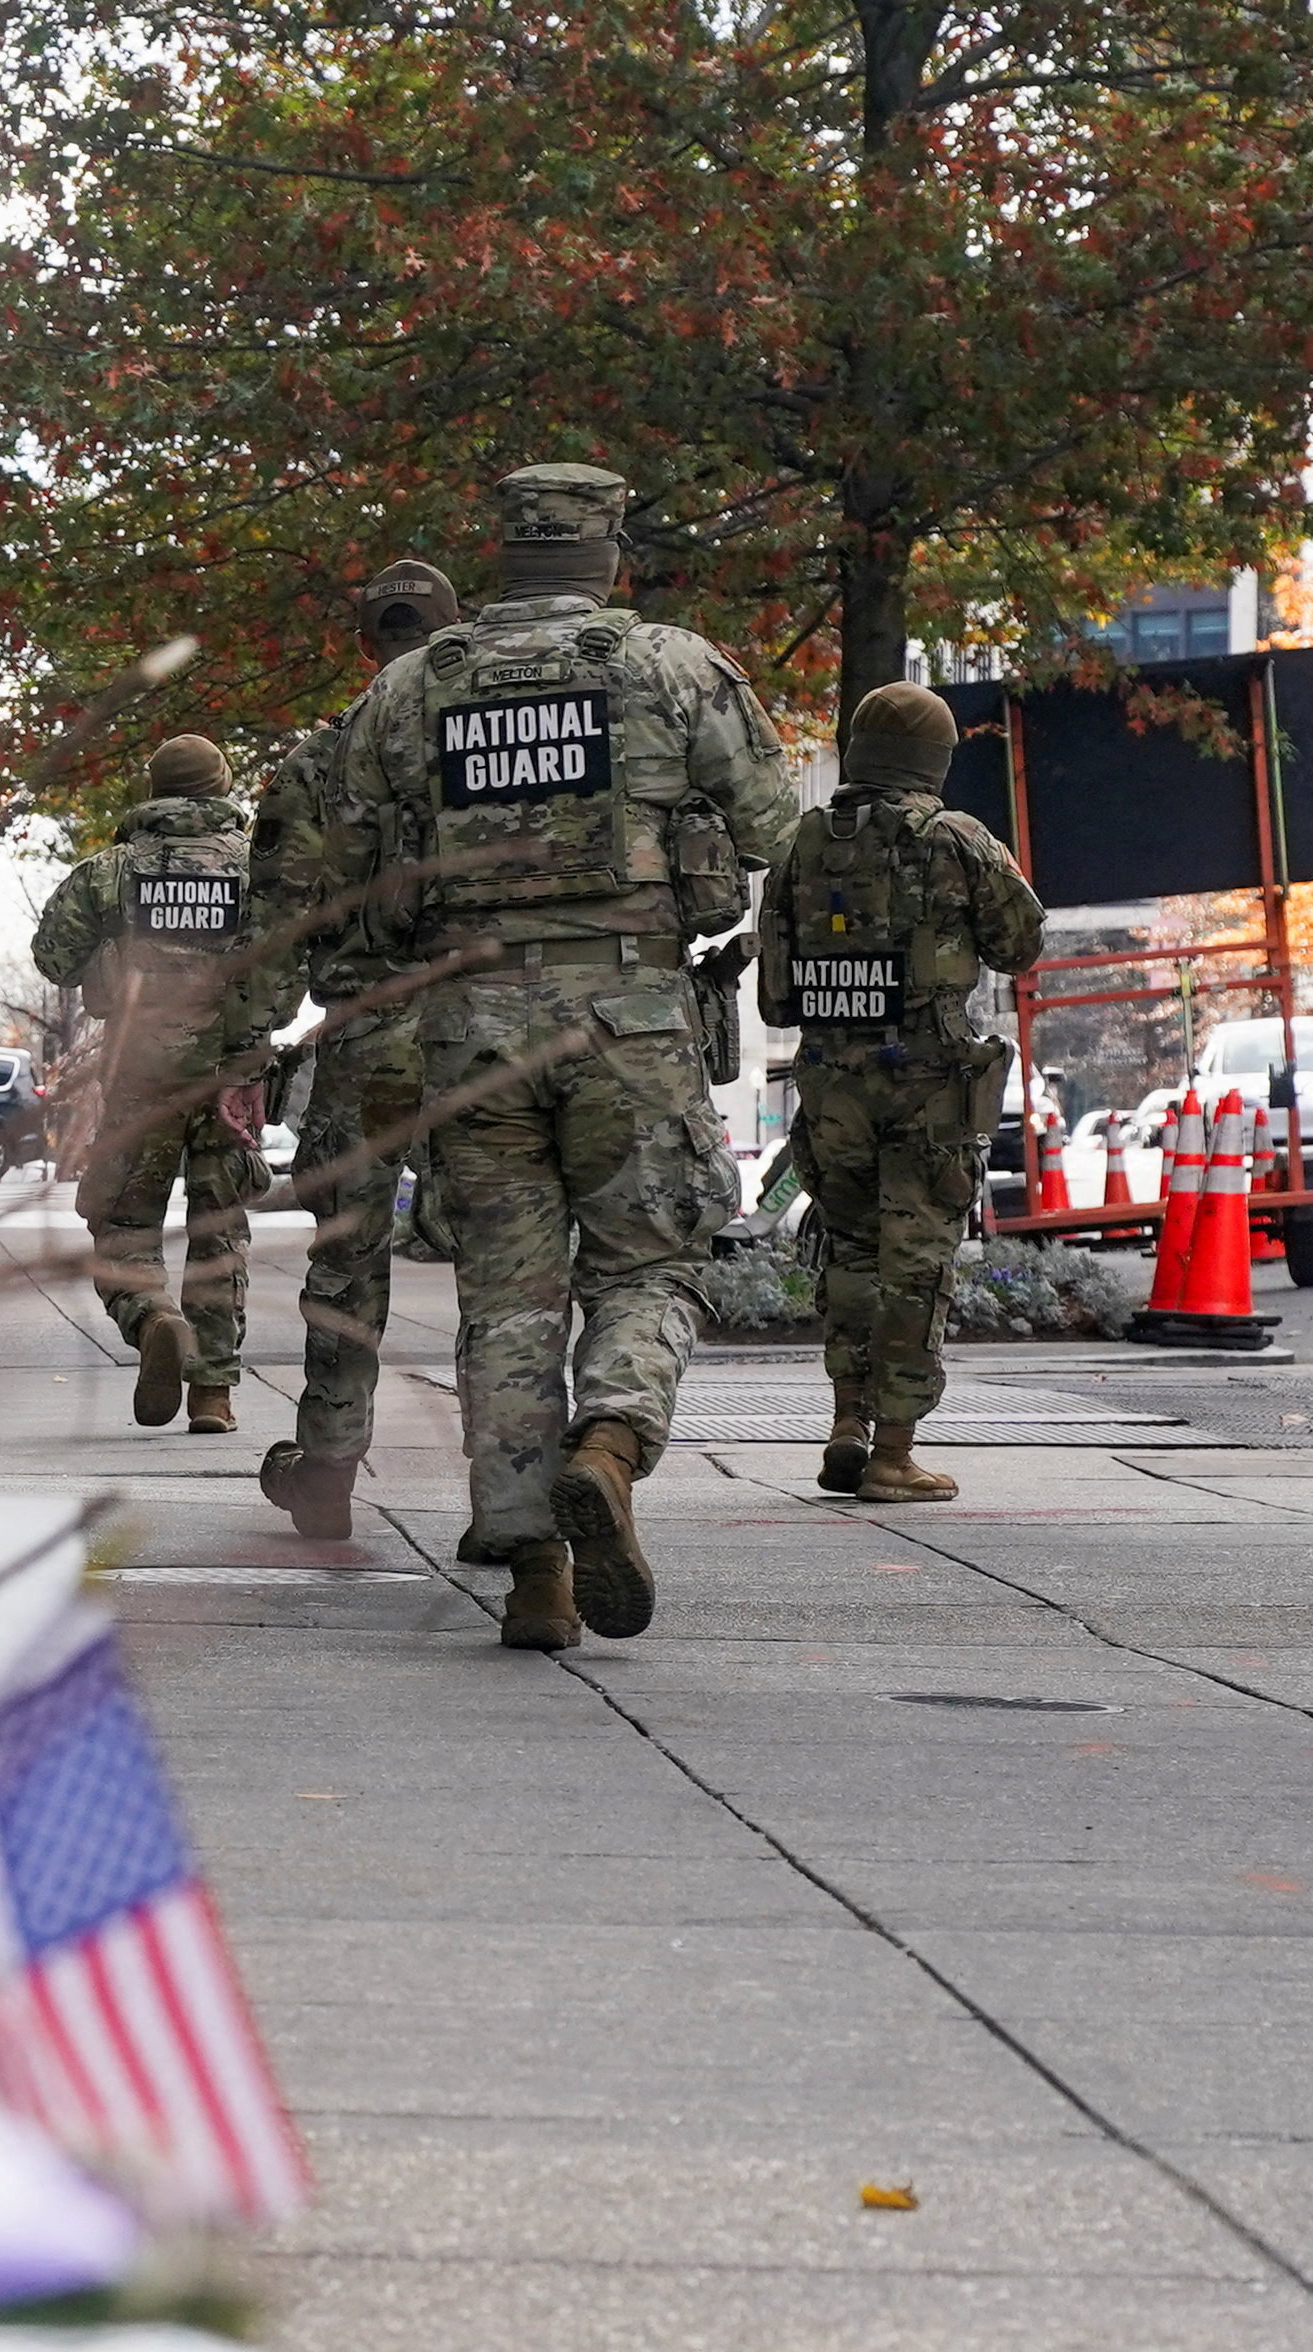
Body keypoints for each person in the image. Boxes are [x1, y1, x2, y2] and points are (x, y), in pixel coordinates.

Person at [334, 463, 800, 1649]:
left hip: (471, 1026)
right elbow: (773, 831)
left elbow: (350, 857)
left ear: (504, 551)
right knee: (653, 1257)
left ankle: (533, 1571)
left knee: (506, 1298)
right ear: (606, 551)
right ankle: (609, 1441)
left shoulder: (409, 688)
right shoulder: (667, 665)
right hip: (628, 1018)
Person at [757, 682, 1043, 1502]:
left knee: (848, 1252)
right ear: (935, 760)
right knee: (915, 1265)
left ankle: (845, 1424)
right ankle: (893, 1453)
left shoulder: (804, 842)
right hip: (927, 1085)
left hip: (833, 1086)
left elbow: (778, 996)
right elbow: (1020, 941)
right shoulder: (955, 837)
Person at [243, 558, 464, 1537]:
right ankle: (520, 1486)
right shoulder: (496, 747)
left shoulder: (313, 767)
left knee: (346, 1261)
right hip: (489, 1029)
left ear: (363, 641)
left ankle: (328, 1460)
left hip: (366, 1036)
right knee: (510, 1257)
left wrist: (246, 1047)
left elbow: (274, 930)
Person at [28, 735, 280, 1435]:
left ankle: (153, 1318)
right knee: (220, 1231)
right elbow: (291, 963)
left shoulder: (113, 871)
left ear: (153, 790)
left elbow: (52, 954)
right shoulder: (257, 870)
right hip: (232, 1077)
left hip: (141, 1075)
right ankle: (213, 1395)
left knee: (123, 1224)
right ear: (223, 787)